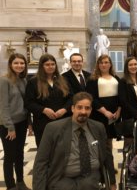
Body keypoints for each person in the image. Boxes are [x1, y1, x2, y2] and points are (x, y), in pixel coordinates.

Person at [32, 92, 117, 190]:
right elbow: (41, 162)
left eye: (87, 108)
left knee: (89, 184)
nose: (83, 112)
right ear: (72, 108)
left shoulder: (98, 127)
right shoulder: (53, 129)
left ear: (91, 110)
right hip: (62, 177)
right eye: (79, 107)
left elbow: (107, 156)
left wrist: (112, 182)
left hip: (90, 178)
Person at [25, 54, 72, 147]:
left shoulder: (63, 80)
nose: (50, 67)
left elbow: (71, 98)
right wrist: (44, 110)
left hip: (62, 120)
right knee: (45, 152)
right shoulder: (33, 82)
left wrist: (64, 109)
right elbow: (28, 102)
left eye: (53, 64)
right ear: (42, 66)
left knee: (62, 151)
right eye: (47, 64)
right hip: (43, 123)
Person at [0, 53, 31, 190]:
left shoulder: (23, 80)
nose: (19, 65)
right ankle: (10, 185)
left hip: (22, 121)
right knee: (10, 155)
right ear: (11, 65)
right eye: (16, 63)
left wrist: (29, 121)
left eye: (22, 63)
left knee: (20, 153)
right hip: (8, 124)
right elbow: (3, 105)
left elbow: (25, 103)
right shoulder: (4, 80)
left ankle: (20, 181)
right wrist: (10, 127)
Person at [86, 55, 121, 153]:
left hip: (114, 115)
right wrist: (105, 112)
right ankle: (100, 166)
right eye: (101, 63)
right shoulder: (92, 79)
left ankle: (109, 165)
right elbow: (91, 98)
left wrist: (118, 111)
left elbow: (121, 97)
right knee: (98, 141)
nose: (103, 65)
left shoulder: (116, 78)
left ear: (110, 64)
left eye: (106, 62)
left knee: (109, 141)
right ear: (98, 65)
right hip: (98, 114)